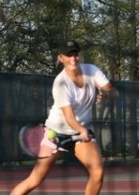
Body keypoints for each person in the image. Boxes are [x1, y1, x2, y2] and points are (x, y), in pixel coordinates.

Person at [10, 40, 119, 195]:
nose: (73, 59)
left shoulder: (92, 70)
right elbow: (70, 117)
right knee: (35, 179)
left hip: (80, 135)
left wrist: (107, 94)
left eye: (75, 54)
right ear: (61, 58)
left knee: (98, 172)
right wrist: (82, 130)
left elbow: (115, 93)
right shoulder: (60, 83)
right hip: (56, 134)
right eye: (68, 55)